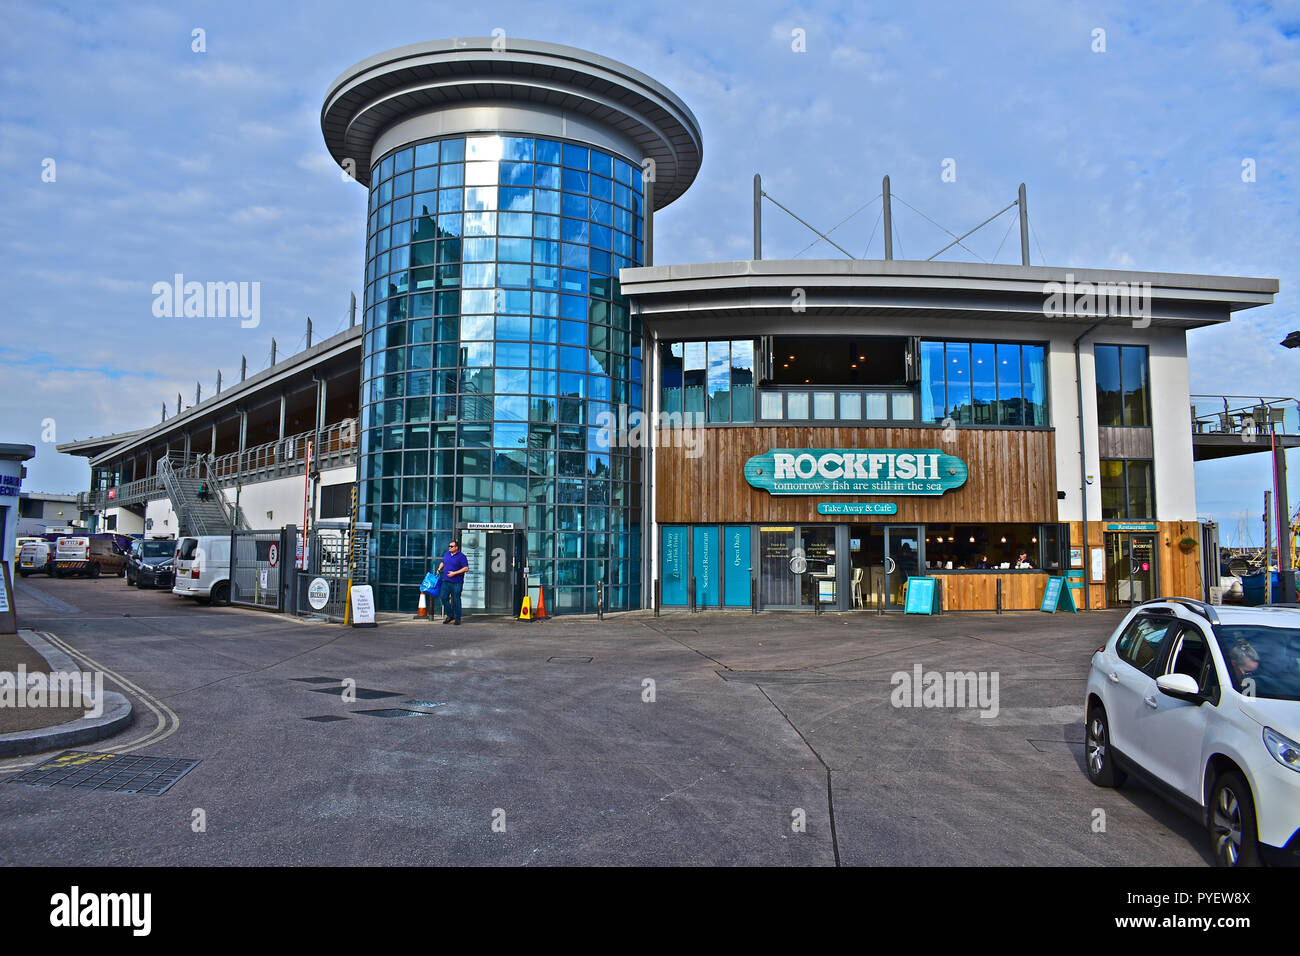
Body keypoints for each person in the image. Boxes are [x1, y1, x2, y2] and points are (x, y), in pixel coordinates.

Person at [436, 539, 469, 624]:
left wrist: (454, 573)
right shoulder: (447, 554)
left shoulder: (462, 556)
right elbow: (443, 562)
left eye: (451, 546)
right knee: (443, 597)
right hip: (446, 581)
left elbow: (466, 568)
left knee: (456, 599)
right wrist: (439, 569)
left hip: (457, 582)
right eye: (449, 546)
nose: (449, 547)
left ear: (456, 547)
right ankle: (450, 615)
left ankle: (458, 618)